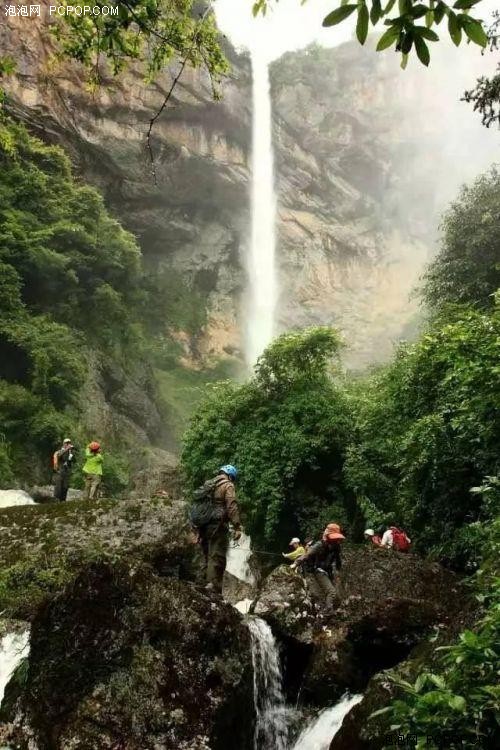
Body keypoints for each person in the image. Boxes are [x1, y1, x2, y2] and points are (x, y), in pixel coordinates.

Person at [192, 464, 242, 594]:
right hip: (218, 525)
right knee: (217, 555)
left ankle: (200, 583)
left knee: (205, 554)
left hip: (203, 524)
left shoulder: (208, 485)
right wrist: (237, 526)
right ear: (230, 476)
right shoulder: (228, 485)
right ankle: (213, 586)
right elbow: (232, 506)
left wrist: (196, 528)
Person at [296, 523, 345, 612]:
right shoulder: (319, 544)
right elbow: (307, 555)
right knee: (331, 592)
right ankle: (327, 613)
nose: (336, 540)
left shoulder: (337, 546)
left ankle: (326, 610)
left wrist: (338, 573)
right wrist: (295, 563)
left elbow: (338, 561)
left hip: (328, 571)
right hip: (318, 570)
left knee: (334, 594)